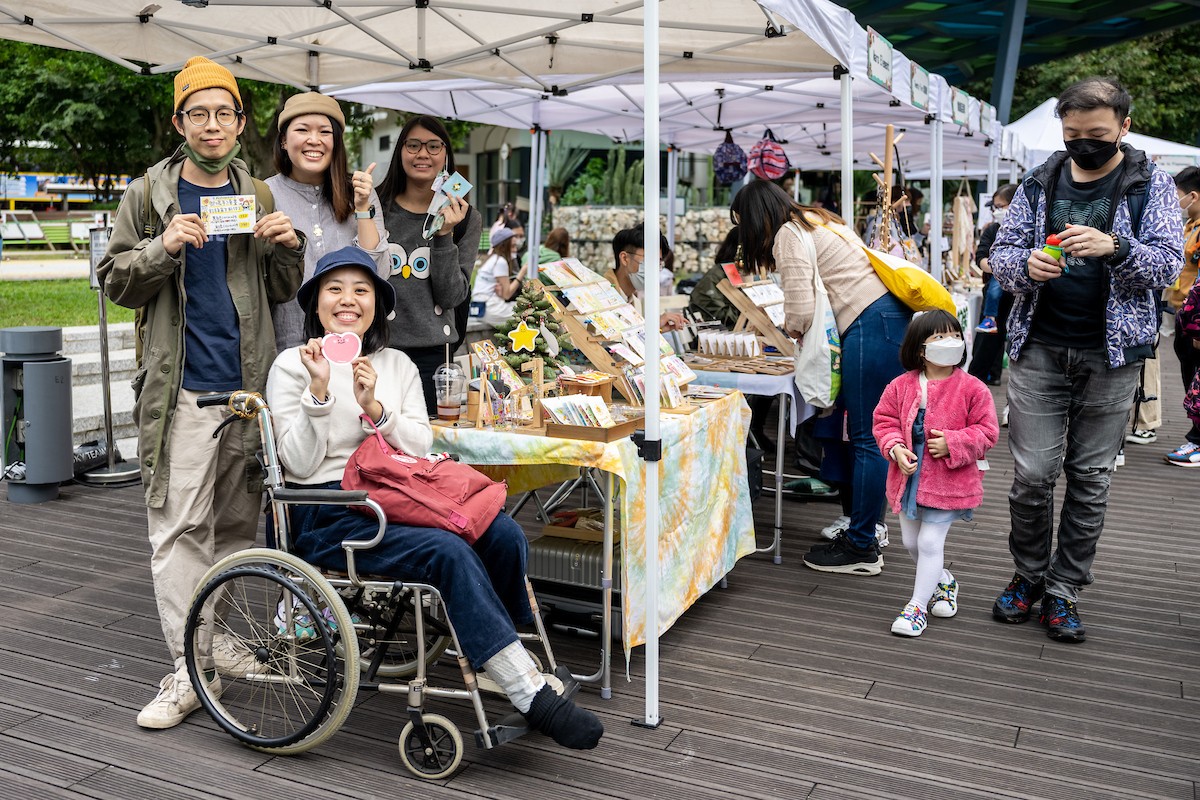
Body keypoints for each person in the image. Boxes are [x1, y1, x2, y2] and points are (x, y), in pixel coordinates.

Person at [265, 246, 603, 750]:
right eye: (334, 289)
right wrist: (320, 395)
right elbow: (298, 465)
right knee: (446, 552)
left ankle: (501, 656)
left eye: (361, 290)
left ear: (377, 303)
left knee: (503, 532)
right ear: (315, 302)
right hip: (330, 510)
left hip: (402, 493)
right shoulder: (293, 365)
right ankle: (527, 689)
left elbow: (420, 445)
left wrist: (374, 408)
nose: (348, 300)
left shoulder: (396, 364)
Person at [97, 56, 305, 729]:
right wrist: (163, 247)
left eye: (224, 112)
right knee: (178, 529)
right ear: (180, 122)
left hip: (247, 391)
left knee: (236, 531)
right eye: (198, 113)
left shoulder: (260, 195)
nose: (211, 125)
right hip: (182, 389)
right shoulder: (147, 195)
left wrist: (287, 247)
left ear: (241, 123)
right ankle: (189, 670)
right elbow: (115, 281)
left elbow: (278, 291)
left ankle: (216, 640)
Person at [988, 77, 1183, 642]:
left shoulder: (1152, 184)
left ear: (1124, 126)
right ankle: (1027, 576)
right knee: (1031, 475)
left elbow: (1168, 266)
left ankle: (1064, 589)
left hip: (1113, 356)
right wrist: (1025, 266)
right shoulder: (1040, 181)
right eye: (1072, 134)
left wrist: (1116, 248)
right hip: (1039, 348)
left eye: (1096, 134)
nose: (1083, 144)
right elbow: (999, 257)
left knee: (1090, 478)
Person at [731, 179, 912, 575]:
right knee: (865, 435)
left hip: (867, 326)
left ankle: (863, 546)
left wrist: (785, 333)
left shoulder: (787, 234)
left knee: (867, 437)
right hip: (886, 321)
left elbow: (800, 311)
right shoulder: (817, 219)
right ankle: (863, 530)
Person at [873, 310, 999, 637]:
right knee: (911, 542)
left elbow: (988, 432)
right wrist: (896, 448)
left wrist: (955, 443)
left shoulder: (973, 389)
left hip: (949, 481)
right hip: (908, 477)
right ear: (920, 349)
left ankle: (916, 607)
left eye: (954, 335)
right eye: (939, 337)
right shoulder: (900, 386)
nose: (950, 343)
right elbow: (883, 422)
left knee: (929, 541)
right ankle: (943, 581)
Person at [376, 115, 483, 414]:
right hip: (378, 350)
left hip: (434, 358)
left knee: (428, 447)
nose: (423, 154)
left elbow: (451, 296)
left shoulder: (466, 219)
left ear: (446, 155)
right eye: (413, 145)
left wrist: (444, 235)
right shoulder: (374, 207)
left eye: (434, 146)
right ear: (400, 152)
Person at [267, 91, 389, 352]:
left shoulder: (361, 191)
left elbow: (380, 272)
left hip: (356, 349)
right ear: (284, 141)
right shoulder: (266, 196)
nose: (314, 140)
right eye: (302, 130)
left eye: (325, 132)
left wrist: (362, 208)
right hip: (288, 347)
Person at [1164, 166, 1200, 466]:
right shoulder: (1189, 226)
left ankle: (1197, 440)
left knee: (1198, 381)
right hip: (1183, 313)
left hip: (1196, 319)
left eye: (1176, 196)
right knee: (1190, 378)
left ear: (1192, 196)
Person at [609, 225, 685, 332]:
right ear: (625, 258)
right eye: (648, 260)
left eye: (658, 262)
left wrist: (656, 330)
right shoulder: (598, 297)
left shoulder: (635, 302)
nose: (654, 269)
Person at [975, 184, 1019, 335]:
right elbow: (980, 257)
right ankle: (990, 319)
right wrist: (1000, 267)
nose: (997, 211)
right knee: (987, 346)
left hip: (1019, 294)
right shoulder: (992, 229)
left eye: (1000, 206)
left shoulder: (1026, 229)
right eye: (995, 207)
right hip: (996, 282)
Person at [470, 226, 523, 329]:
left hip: (480, 308)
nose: (515, 250)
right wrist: (522, 273)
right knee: (529, 311)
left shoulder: (492, 260)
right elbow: (507, 295)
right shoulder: (500, 262)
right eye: (512, 246)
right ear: (504, 247)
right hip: (491, 309)